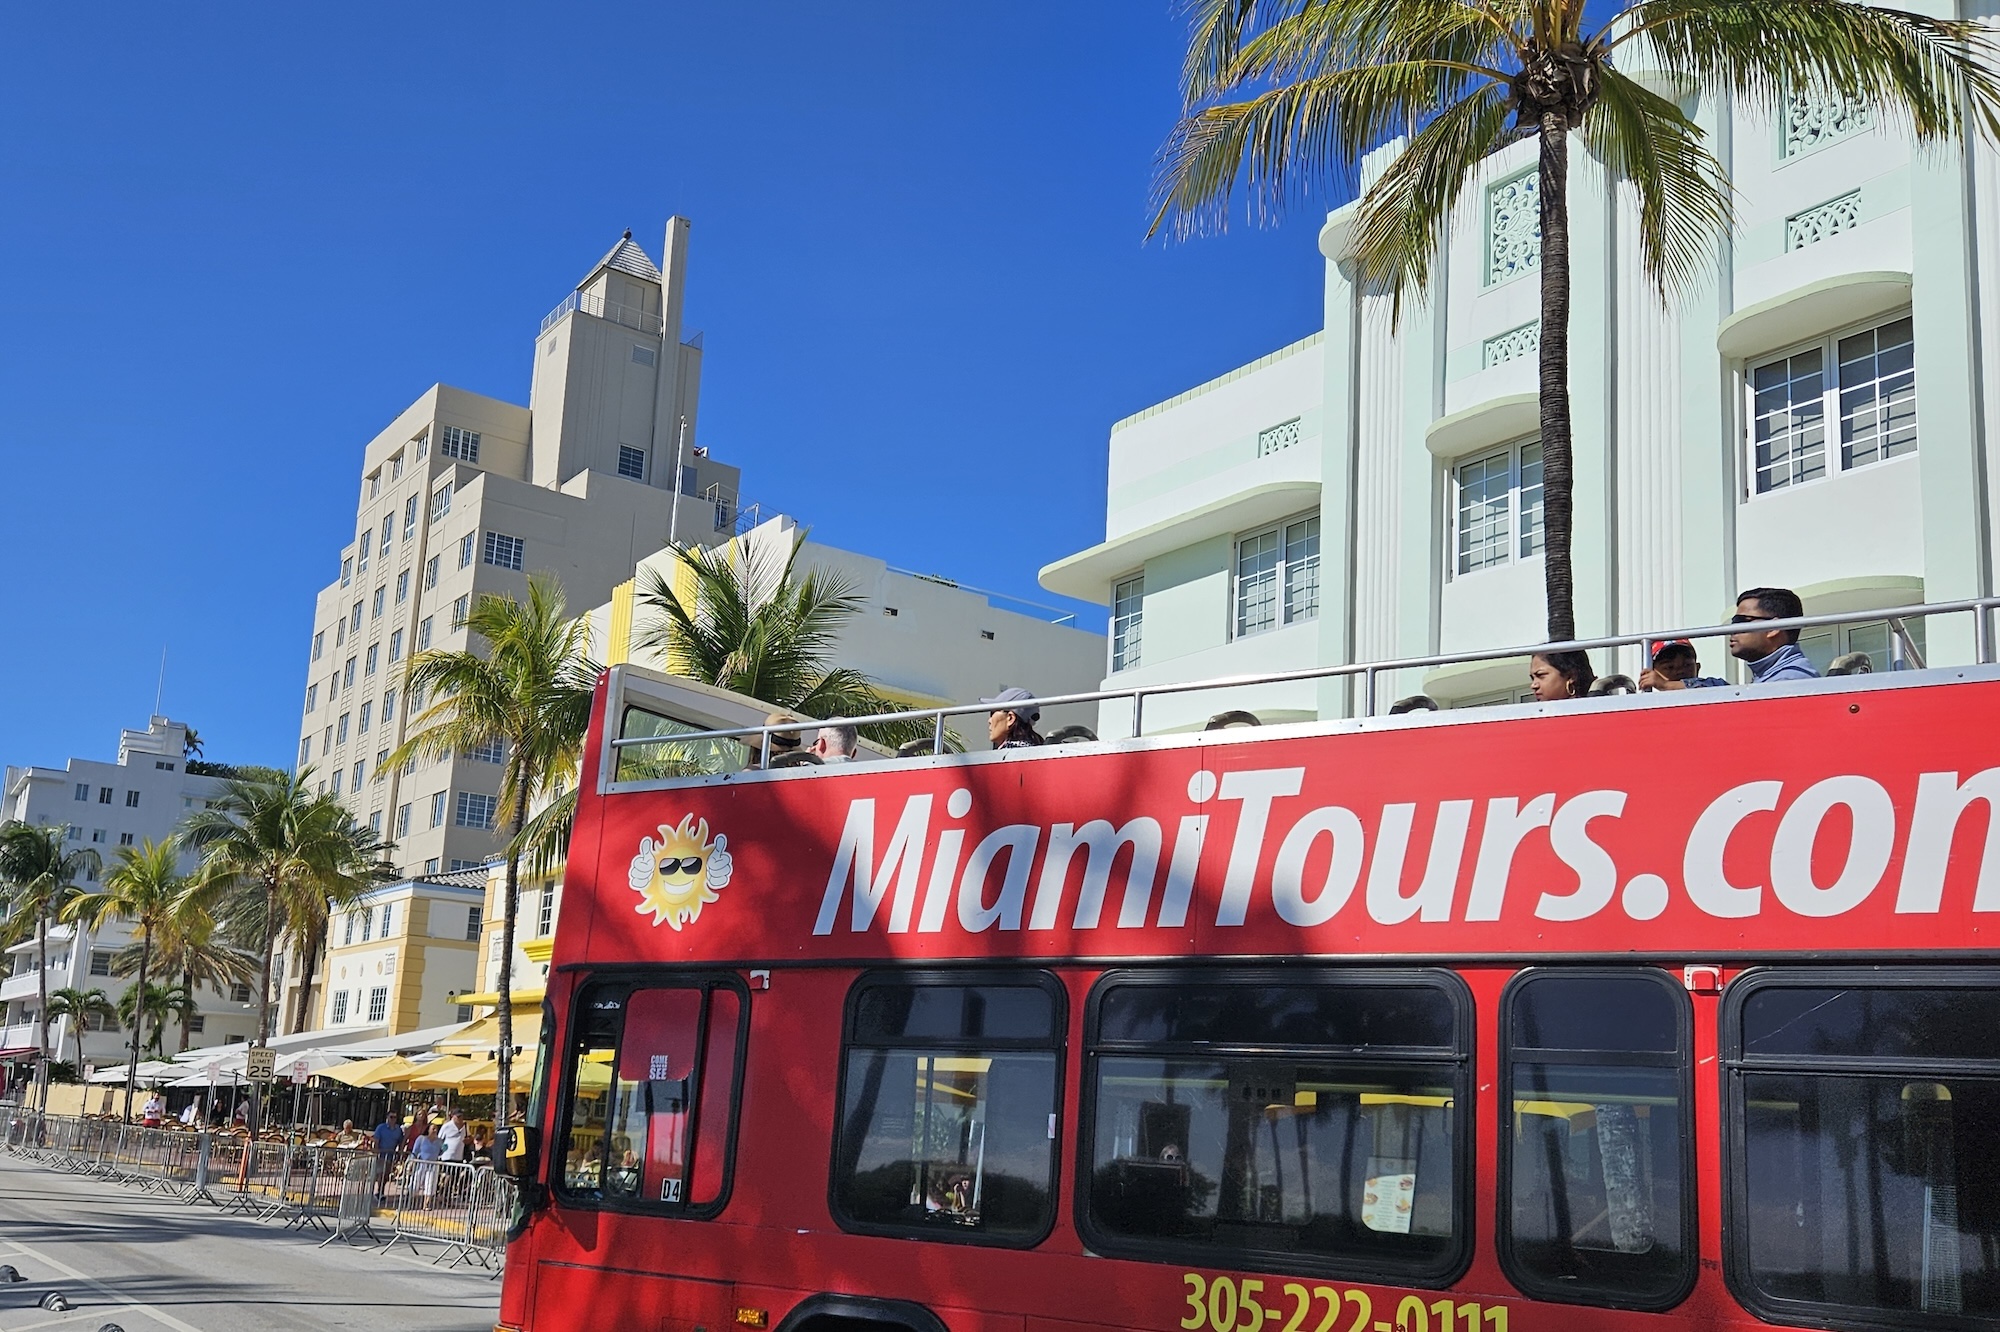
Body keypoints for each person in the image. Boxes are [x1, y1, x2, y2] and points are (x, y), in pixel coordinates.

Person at [1641, 587, 1820, 690]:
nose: (1733, 629)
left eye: (1741, 621)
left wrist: (1666, 686)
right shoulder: (1770, 676)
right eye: (1668, 666)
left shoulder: (1790, 681)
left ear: (1773, 628)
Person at [1528, 650, 1595, 701]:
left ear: (1571, 676)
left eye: (1541, 675)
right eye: (1533, 678)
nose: (1533, 685)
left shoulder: (1597, 708)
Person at [409, 1125, 443, 1208]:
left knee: (430, 1184)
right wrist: (411, 1162)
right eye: (433, 1128)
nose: (435, 1130)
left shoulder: (439, 1141)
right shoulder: (421, 1139)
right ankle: (412, 1202)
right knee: (416, 1183)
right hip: (420, 1163)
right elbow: (415, 1151)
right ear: (428, 1130)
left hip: (433, 1164)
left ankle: (426, 1204)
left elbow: (442, 1151)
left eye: (436, 1129)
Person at [372, 1110, 404, 1199]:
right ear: (387, 1117)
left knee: (386, 1175)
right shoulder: (381, 1128)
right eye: (391, 1117)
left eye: (395, 1117)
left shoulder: (398, 1130)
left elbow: (400, 1142)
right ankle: (378, 1192)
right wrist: (376, 1151)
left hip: (391, 1155)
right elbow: (376, 1140)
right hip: (381, 1154)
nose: (393, 1119)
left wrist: (399, 1153)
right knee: (381, 1174)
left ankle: (380, 1191)